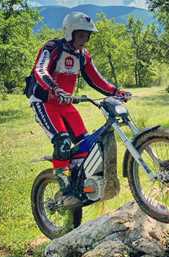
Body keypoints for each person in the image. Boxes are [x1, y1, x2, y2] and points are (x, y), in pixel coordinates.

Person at [29, 11, 131, 192]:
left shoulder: (83, 55)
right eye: (81, 35)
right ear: (70, 32)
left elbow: (96, 79)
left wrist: (116, 92)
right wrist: (54, 87)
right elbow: (40, 70)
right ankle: (63, 187)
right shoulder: (52, 47)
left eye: (87, 36)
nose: (84, 40)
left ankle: (80, 182)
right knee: (62, 141)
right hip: (44, 103)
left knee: (87, 144)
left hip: (66, 105)